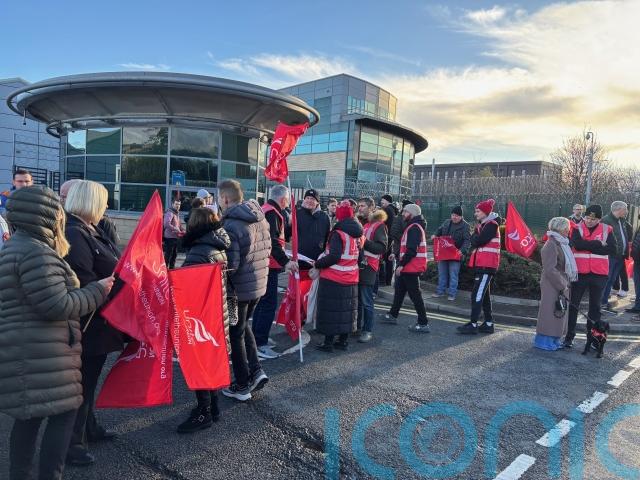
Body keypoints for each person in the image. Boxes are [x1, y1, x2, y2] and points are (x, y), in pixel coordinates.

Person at [0, 186, 113, 480]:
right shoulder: (37, 253)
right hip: (44, 352)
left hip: (28, 350)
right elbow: (58, 305)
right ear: (48, 215)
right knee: (63, 415)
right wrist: (97, 291)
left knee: (29, 417)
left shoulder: (16, 246)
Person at [63, 180, 124, 466]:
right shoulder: (75, 234)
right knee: (81, 386)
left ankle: (89, 428)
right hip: (88, 324)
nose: (107, 206)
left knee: (88, 383)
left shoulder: (89, 229)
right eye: (103, 201)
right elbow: (83, 281)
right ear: (90, 203)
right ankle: (72, 444)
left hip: (98, 322)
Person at [177, 207, 231, 433]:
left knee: (199, 363)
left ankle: (204, 412)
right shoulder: (217, 246)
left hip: (201, 316)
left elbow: (187, 286)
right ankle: (213, 407)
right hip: (215, 313)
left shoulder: (199, 251)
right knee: (209, 362)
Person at [218, 180, 270, 402]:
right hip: (257, 287)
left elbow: (231, 265)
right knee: (243, 327)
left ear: (225, 198)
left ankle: (241, 385)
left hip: (235, 292)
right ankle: (256, 370)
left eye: (219, 198)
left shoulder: (231, 224)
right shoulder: (260, 218)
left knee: (235, 334)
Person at [252, 185, 298, 359]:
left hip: (263, 263)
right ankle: (260, 343)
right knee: (268, 304)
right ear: (283, 199)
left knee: (262, 303)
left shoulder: (265, 209)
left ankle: (257, 338)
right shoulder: (273, 213)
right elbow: (273, 242)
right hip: (269, 265)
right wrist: (286, 262)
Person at [313, 200, 363, 352]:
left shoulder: (338, 233)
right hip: (351, 277)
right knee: (346, 312)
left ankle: (328, 343)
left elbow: (334, 256)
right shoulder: (358, 233)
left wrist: (318, 263)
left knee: (331, 311)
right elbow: (359, 257)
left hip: (333, 277)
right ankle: (343, 342)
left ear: (339, 216)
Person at [563, 204, 617, 347]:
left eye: (593, 219)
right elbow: (577, 245)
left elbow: (612, 249)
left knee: (595, 308)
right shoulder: (577, 227)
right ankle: (569, 337)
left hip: (599, 274)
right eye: (587, 218)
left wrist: (587, 245)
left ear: (599, 219)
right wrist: (598, 244)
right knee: (574, 305)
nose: (589, 221)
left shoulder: (607, 229)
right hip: (579, 273)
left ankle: (593, 340)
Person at [383, 203, 430, 333]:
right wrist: (396, 254)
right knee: (399, 292)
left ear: (412, 213)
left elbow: (412, 250)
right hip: (409, 266)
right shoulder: (413, 226)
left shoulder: (414, 228)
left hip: (411, 267)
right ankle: (392, 315)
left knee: (415, 296)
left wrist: (401, 264)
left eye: (405, 212)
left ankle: (423, 323)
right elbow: (407, 247)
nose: (403, 214)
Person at [457, 199, 501, 335]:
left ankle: (473, 324)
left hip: (486, 265)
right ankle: (488, 323)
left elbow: (478, 241)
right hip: (483, 264)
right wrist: (475, 237)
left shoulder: (491, 225)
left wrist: (475, 237)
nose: (475, 214)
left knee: (477, 295)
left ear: (485, 212)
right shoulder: (484, 225)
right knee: (484, 296)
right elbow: (475, 239)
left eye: (478, 211)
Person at [535, 217, 578, 351]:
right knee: (550, 312)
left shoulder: (560, 243)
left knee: (558, 311)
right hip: (552, 283)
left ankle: (554, 340)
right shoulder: (551, 245)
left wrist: (564, 284)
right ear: (561, 229)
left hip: (559, 282)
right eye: (567, 228)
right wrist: (562, 284)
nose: (568, 231)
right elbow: (549, 269)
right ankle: (544, 341)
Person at [356, 197, 388, 342]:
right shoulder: (363, 223)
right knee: (358, 300)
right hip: (358, 265)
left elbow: (382, 247)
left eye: (362, 206)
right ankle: (357, 327)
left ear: (371, 208)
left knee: (366, 300)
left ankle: (367, 330)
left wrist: (365, 241)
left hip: (369, 267)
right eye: (359, 206)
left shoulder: (379, 225)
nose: (359, 208)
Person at [431, 205, 471, 301]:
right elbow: (439, 230)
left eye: (457, 215)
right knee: (442, 274)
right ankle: (440, 292)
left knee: (453, 275)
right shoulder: (446, 222)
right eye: (453, 215)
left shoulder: (465, 226)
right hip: (444, 253)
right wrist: (435, 235)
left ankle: (452, 294)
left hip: (456, 254)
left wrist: (461, 251)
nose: (454, 217)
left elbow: (467, 241)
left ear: (461, 216)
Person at [600, 201, 632, 310]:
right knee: (606, 279)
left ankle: (604, 302)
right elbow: (603, 239)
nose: (626, 211)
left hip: (620, 256)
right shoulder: (606, 220)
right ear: (619, 209)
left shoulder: (621, 221)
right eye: (625, 209)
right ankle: (601, 302)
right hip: (611, 256)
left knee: (612, 279)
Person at [291, 189, 331, 272]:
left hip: (317, 262)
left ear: (317, 202)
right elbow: (288, 234)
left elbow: (328, 238)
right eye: (307, 198)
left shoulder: (324, 217)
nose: (309, 201)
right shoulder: (297, 214)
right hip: (299, 261)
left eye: (312, 199)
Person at [380, 194, 399, 287]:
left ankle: (383, 280)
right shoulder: (392, 209)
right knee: (389, 259)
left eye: (383, 200)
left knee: (383, 258)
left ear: (387, 201)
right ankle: (388, 280)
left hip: (386, 236)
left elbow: (381, 222)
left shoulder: (387, 210)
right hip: (391, 237)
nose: (381, 202)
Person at [163, 198, 184, 269]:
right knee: (169, 254)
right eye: (176, 204)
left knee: (174, 254)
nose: (178, 206)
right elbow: (166, 224)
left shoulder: (176, 213)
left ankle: (172, 269)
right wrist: (175, 229)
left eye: (179, 204)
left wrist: (182, 230)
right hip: (169, 237)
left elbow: (179, 225)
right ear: (172, 204)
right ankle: (165, 269)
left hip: (175, 237)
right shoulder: (170, 212)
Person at [626, 226, 640, 314]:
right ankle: (637, 306)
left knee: (638, 283)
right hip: (637, 260)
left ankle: (638, 306)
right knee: (637, 284)